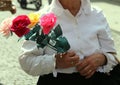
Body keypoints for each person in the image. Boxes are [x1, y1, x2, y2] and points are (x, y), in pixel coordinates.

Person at [19, 0, 120, 85]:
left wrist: (102, 58)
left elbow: (113, 57)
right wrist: (55, 62)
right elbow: (26, 61)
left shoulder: (96, 14)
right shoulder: (41, 18)